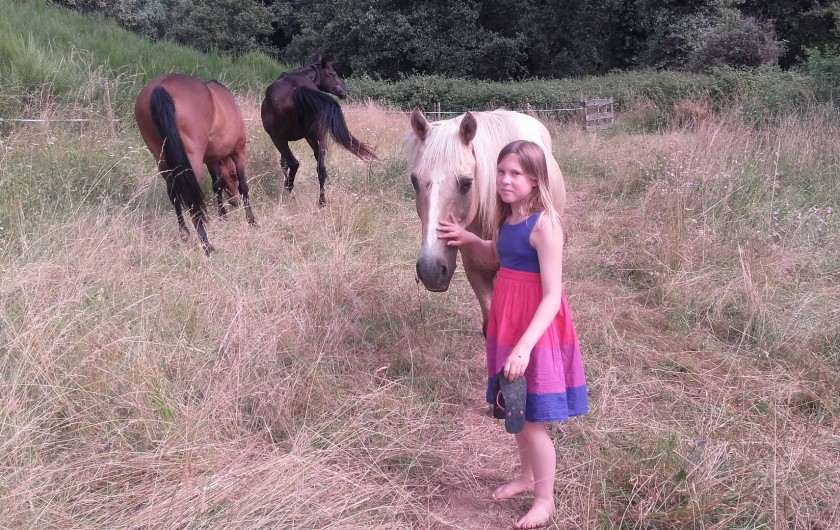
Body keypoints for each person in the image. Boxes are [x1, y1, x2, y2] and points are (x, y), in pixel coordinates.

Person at [437, 140, 588, 529]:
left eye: (515, 174)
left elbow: (553, 295)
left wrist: (524, 347)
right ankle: (525, 476)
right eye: (501, 172)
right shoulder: (507, 220)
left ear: (536, 180)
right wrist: (469, 239)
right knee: (515, 405)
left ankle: (545, 499)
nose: (505, 180)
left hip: (534, 331)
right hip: (508, 322)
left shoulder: (545, 225)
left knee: (534, 417)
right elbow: (498, 252)